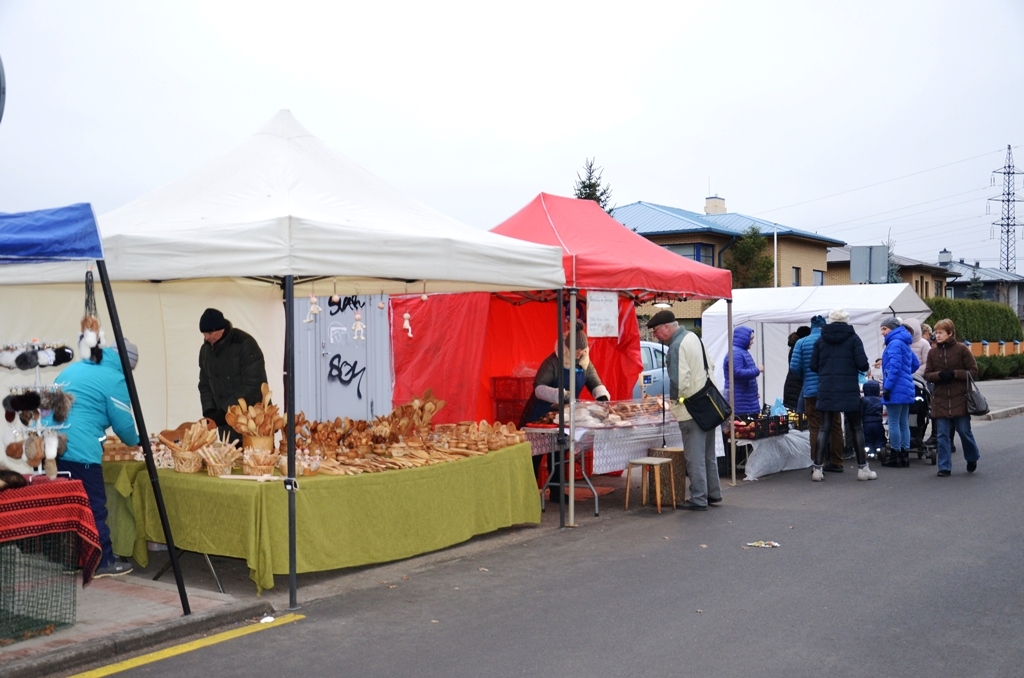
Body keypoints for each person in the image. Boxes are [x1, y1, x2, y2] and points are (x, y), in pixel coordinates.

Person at [53, 340, 141, 578]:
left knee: (68, 505)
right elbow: (123, 423)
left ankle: (71, 560)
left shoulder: (72, 369)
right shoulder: (114, 377)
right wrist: (137, 440)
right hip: (80, 448)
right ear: (125, 364)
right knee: (92, 507)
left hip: (51, 446)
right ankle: (102, 562)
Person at [522, 328, 609, 503]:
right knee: (534, 455)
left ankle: (556, 491)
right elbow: (538, 388)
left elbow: (595, 382)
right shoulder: (552, 362)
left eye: (582, 350)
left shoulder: (585, 363)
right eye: (576, 350)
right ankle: (527, 494)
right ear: (567, 348)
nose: (579, 354)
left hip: (564, 416)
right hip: (539, 415)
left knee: (558, 452)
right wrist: (560, 394)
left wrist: (602, 397)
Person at [647, 310, 721, 511]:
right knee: (708, 454)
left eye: (656, 331)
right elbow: (711, 365)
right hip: (708, 403)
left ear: (667, 327)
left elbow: (680, 382)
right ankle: (713, 493)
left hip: (691, 408)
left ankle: (698, 498)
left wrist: (676, 402)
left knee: (694, 456)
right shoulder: (694, 338)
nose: (655, 336)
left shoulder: (676, 347)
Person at [809, 309, 876, 482]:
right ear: (847, 321)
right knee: (856, 428)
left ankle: (817, 469)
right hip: (848, 389)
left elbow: (813, 366)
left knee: (824, 428)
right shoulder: (853, 339)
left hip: (827, 388)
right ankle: (863, 468)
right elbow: (862, 364)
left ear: (830, 321)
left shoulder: (821, 340)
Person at [198, 308, 268, 443]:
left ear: (221, 329)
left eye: (209, 333)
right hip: (225, 422)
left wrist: (223, 412)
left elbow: (252, 386)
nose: (206, 337)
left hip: (252, 422)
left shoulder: (245, 344)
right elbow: (204, 384)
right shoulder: (205, 350)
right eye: (203, 333)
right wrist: (210, 411)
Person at [923, 318, 980, 476]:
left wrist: (955, 374)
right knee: (942, 435)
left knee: (964, 431)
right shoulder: (932, 352)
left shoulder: (962, 349)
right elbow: (927, 374)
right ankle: (944, 467)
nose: (937, 335)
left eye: (941, 332)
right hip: (940, 399)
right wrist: (940, 375)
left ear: (950, 333)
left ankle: (972, 457)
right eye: (936, 332)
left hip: (960, 397)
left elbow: (973, 371)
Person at [789, 315, 845, 471]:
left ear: (811, 326)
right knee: (835, 426)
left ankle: (817, 462)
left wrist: (806, 377)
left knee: (815, 426)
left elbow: (794, 367)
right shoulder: (833, 341)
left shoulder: (801, 342)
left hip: (811, 391)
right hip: (832, 389)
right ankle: (836, 461)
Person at [879, 317, 919, 468]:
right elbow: (914, 363)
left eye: (885, 329)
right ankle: (904, 455)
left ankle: (896, 455)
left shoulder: (894, 343)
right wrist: (906, 373)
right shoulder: (904, 342)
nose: (882, 332)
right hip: (906, 386)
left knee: (894, 422)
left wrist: (887, 387)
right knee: (904, 422)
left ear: (892, 329)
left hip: (895, 387)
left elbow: (894, 368)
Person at [722, 325, 763, 417]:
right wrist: (757, 370)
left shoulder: (741, 352)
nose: (752, 342)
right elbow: (737, 372)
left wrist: (752, 393)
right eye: (751, 339)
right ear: (744, 339)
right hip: (740, 405)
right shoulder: (736, 353)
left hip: (746, 401)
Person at [783, 326, 811, 410]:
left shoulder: (795, 347)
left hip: (792, 385)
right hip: (797, 387)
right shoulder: (800, 347)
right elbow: (797, 368)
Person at [860, 380, 887, 459]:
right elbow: (881, 411)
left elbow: (861, 411)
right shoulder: (879, 400)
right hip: (878, 422)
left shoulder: (864, 400)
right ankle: (879, 448)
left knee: (868, 438)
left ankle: (869, 451)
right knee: (879, 437)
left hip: (866, 423)